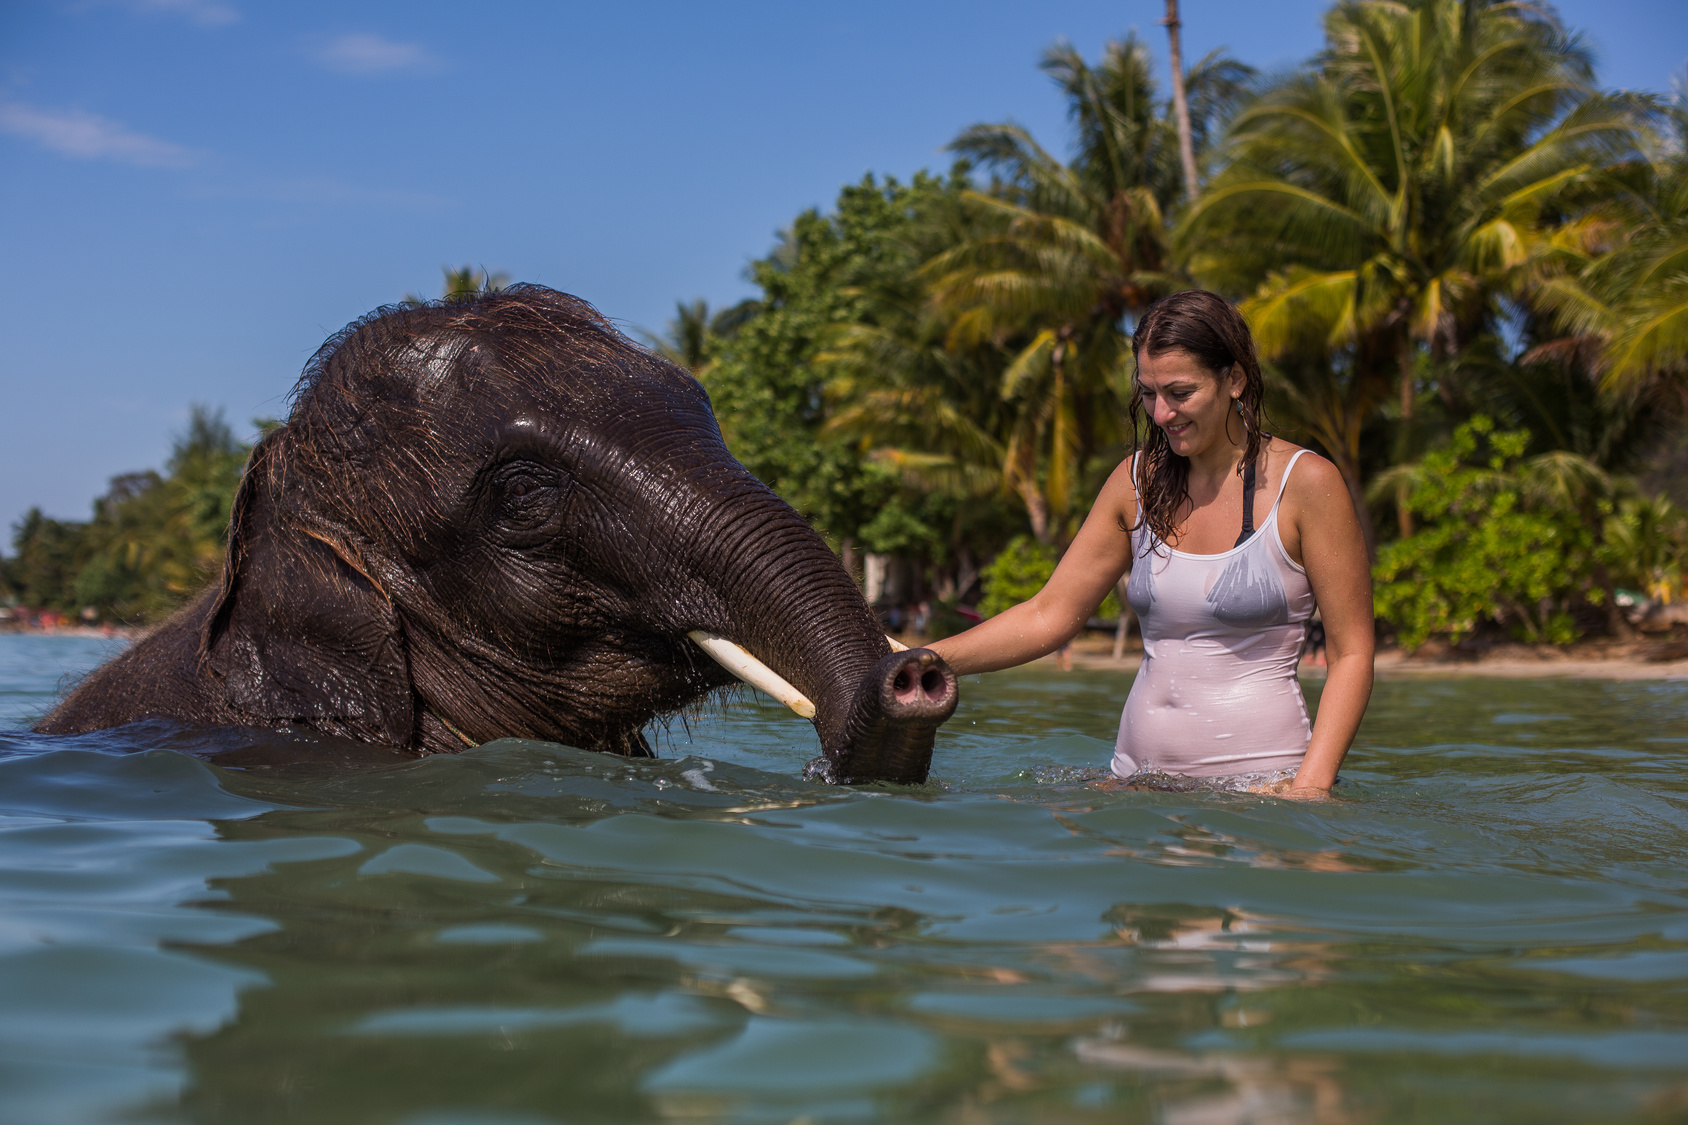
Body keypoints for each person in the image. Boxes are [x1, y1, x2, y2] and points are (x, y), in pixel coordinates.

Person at [927, 290, 1374, 799]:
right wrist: (925, 660)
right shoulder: (1136, 481)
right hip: (1135, 789)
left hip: (1263, 795)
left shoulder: (1306, 482)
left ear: (1235, 380)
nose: (1161, 414)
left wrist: (1308, 789)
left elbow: (1351, 651)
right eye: (1147, 393)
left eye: (1180, 392)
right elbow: (1048, 615)